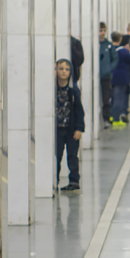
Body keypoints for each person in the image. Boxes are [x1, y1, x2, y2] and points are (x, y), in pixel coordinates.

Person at [54, 59, 85, 192]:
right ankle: (54, 180)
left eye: (67, 69)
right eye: (61, 69)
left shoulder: (73, 91)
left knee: (72, 155)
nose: (63, 72)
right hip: (57, 129)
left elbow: (79, 111)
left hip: (71, 129)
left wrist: (79, 128)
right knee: (57, 156)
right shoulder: (52, 90)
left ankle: (74, 180)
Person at [110, 32, 130, 128]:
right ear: (120, 39)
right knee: (119, 98)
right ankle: (116, 119)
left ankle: (111, 115)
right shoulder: (123, 51)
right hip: (122, 77)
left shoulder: (109, 49)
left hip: (110, 76)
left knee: (112, 98)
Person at [98, 22, 117, 122]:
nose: (102, 33)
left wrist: (109, 68)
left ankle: (106, 117)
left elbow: (115, 58)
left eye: (104, 30)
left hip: (106, 76)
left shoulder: (108, 45)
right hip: (96, 76)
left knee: (106, 98)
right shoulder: (95, 44)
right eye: (100, 30)